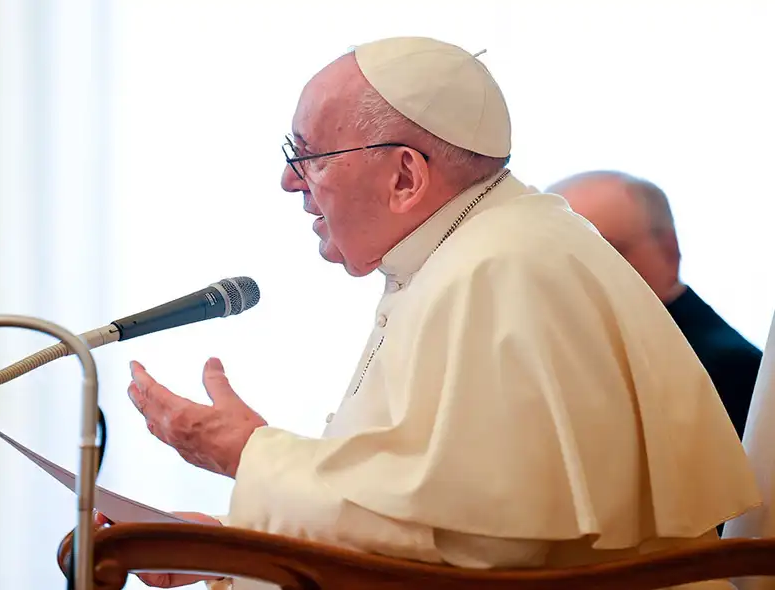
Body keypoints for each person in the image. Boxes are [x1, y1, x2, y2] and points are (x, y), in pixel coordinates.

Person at [59, 37, 761, 589]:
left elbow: (482, 542)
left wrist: (246, 453)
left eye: (306, 156)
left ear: (404, 175)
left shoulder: (499, 269)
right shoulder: (467, 253)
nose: (287, 182)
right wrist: (222, 545)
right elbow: (430, 519)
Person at [547, 171, 763, 439]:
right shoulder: (575, 360)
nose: (582, 277)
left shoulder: (729, 370)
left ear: (668, 249)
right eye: (564, 261)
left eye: (609, 251)